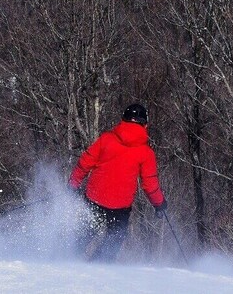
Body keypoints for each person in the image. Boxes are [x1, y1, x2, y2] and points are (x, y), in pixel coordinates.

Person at [69, 103, 167, 262]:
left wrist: (73, 184)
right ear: (145, 124)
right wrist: (159, 204)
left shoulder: (106, 139)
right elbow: (150, 184)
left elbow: (85, 162)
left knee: (83, 236)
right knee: (112, 244)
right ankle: (98, 268)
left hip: (95, 198)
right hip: (120, 206)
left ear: (123, 119)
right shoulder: (146, 153)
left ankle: (63, 261)